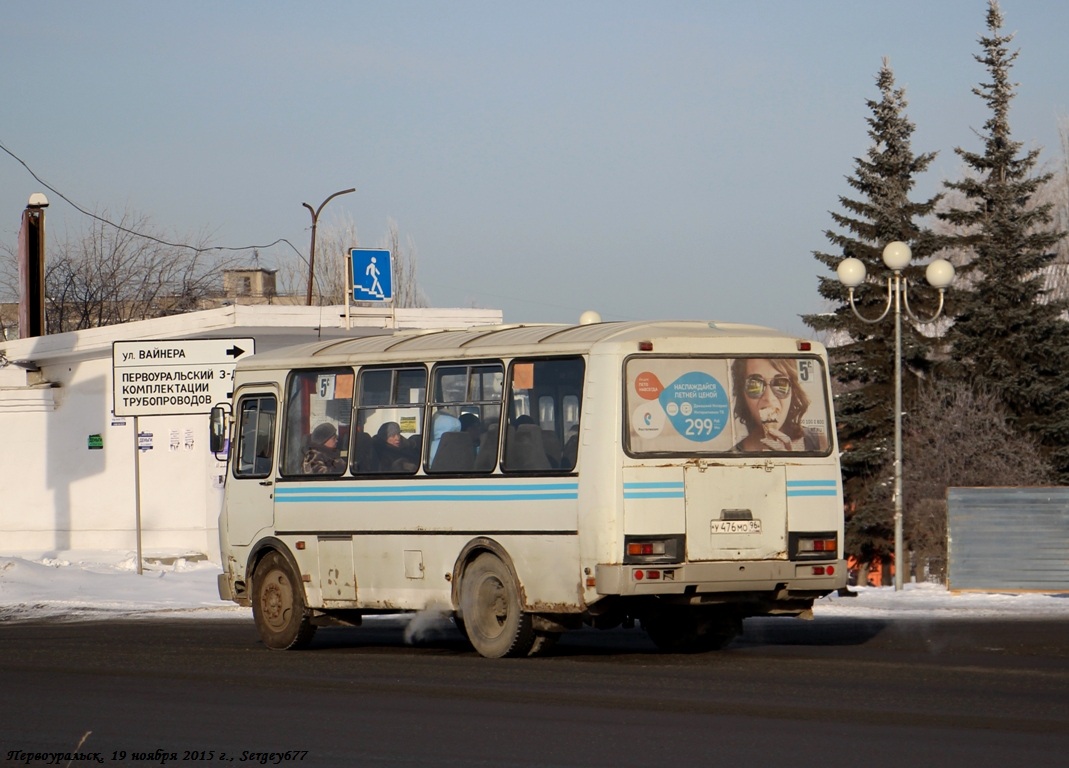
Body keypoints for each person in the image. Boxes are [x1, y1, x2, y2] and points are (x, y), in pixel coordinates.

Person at [731, 358, 826, 452]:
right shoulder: (729, 459)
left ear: (792, 391)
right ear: (742, 394)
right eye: (754, 385)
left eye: (780, 384)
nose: (769, 398)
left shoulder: (818, 442)